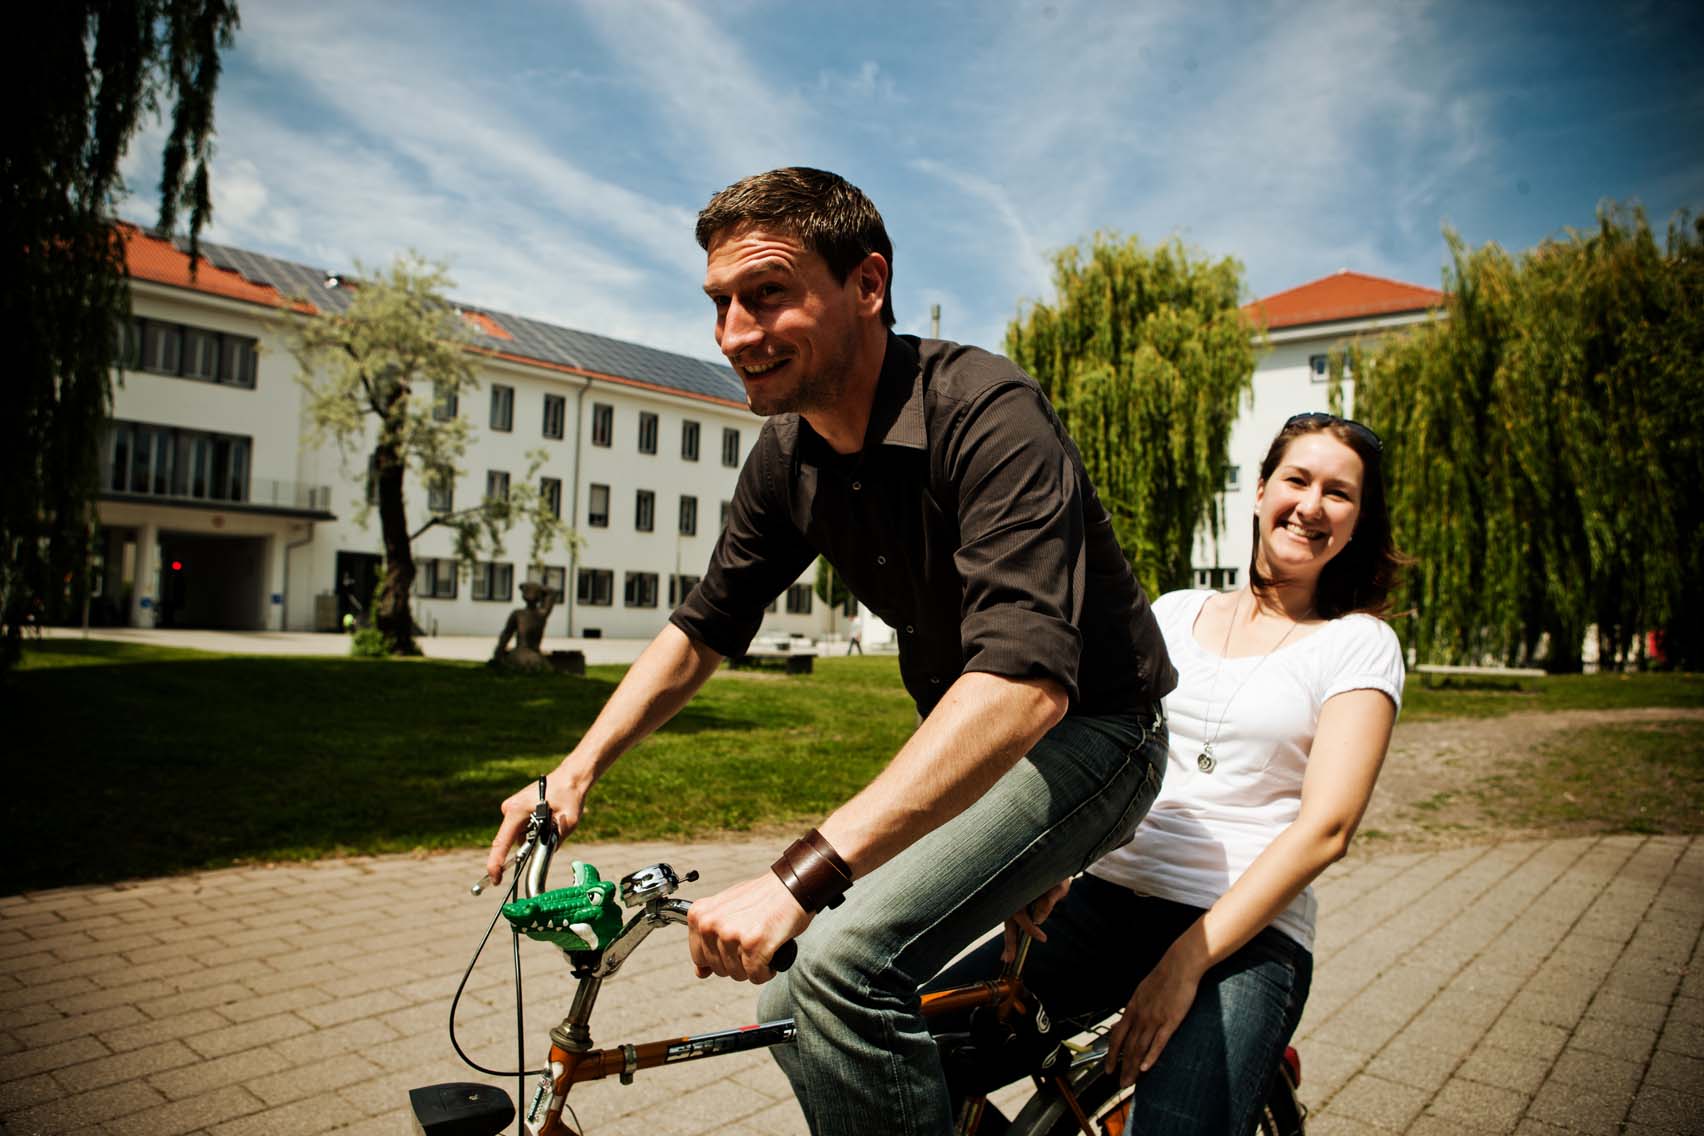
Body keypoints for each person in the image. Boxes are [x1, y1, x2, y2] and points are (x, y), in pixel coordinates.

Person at [483, 167, 1176, 1134]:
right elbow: (704, 624)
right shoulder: (788, 454)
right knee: (789, 999)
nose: (733, 332)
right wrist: (574, 771)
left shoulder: (986, 411)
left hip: (1099, 736)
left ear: (868, 284)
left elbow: (1024, 687)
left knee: (844, 967)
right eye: (720, 303)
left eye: (767, 294)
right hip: (979, 738)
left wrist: (793, 877)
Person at [933, 411, 1406, 1134]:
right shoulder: (1176, 613)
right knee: (901, 1048)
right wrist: (1050, 864)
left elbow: (1327, 830)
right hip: (1107, 901)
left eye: (1338, 494)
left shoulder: (1358, 645)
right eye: (1297, 479)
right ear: (1259, 491)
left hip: (1244, 937)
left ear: (1356, 523)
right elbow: (1098, 755)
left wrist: (1184, 964)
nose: (1312, 506)